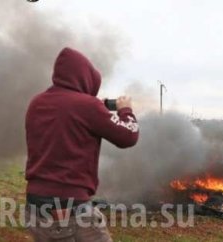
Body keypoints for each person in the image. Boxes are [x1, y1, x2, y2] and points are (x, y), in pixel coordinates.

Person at [25, 47, 139, 242]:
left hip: (34, 208)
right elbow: (128, 136)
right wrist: (126, 110)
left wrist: (97, 107)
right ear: (85, 78)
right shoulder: (87, 106)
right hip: (70, 209)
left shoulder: (37, 102)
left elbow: (67, 116)